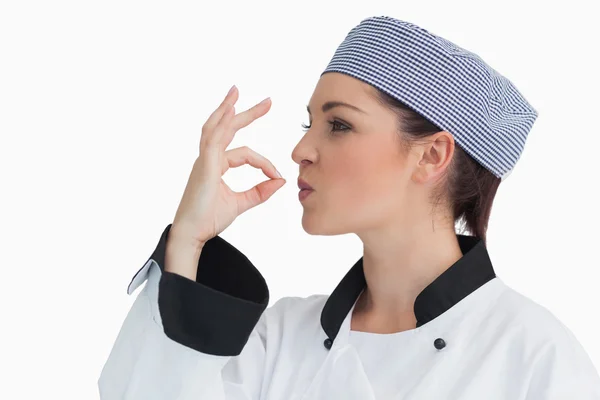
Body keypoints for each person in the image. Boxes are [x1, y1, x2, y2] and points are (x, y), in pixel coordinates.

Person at [98, 16, 600, 399]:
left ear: (431, 155)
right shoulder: (280, 338)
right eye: (308, 124)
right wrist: (189, 240)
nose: (301, 150)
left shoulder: (537, 358)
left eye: (338, 125)